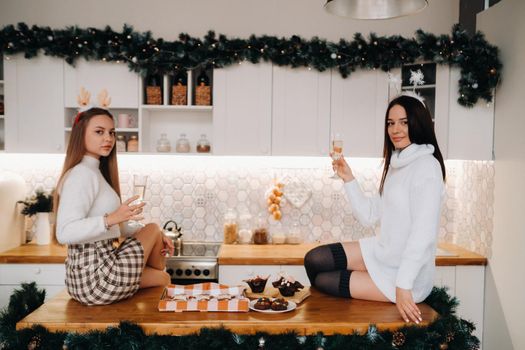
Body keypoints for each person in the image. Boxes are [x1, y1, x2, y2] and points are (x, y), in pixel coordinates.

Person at [304, 94, 446, 324]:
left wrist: (403, 286)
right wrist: (348, 178)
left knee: (324, 281)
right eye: (391, 123)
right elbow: (369, 215)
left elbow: (423, 235)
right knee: (315, 259)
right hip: (384, 253)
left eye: (403, 122)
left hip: (405, 275)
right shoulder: (397, 163)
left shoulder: (427, 167)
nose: (395, 129)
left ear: (418, 124)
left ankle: (338, 329)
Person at [54, 107, 174, 305]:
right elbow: (64, 232)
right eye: (99, 132)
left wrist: (159, 238)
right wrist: (111, 219)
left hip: (85, 281)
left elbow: (117, 227)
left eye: (111, 132)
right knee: (152, 228)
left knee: (163, 278)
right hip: (95, 277)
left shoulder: (95, 172)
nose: (108, 138)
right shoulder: (81, 174)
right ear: (80, 134)